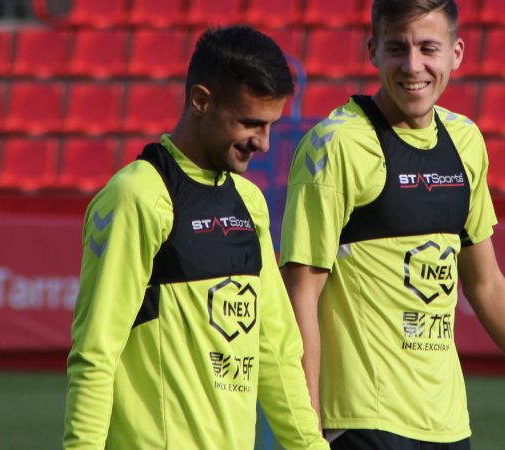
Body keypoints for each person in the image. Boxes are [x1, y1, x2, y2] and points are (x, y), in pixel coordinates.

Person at [279, 1, 505, 449]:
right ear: (373, 51)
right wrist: (306, 430)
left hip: (447, 424)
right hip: (360, 421)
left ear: (457, 53)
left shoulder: (465, 141)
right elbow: (301, 295)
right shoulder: (336, 147)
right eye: (397, 49)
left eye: (428, 48)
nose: (413, 66)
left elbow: (487, 285)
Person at [63, 26, 328, 450]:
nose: (262, 142)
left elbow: (276, 351)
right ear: (201, 101)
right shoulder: (139, 197)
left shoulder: (249, 202)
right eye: (249, 123)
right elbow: (96, 352)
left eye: (270, 125)